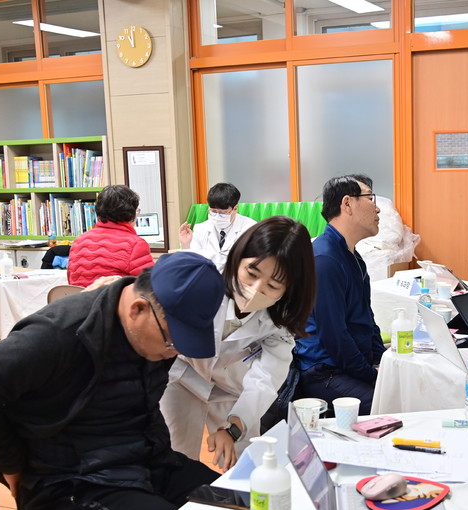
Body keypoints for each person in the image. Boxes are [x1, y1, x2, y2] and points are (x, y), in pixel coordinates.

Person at [0, 253, 225, 510]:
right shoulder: (59, 333)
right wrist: (12, 465)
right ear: (137, 310)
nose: (173, 352)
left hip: (147, 462)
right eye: (173, 342)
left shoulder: (153, 327)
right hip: (69, 485)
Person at [161, 217, 316, 471]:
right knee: (175, 458)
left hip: (232, 389)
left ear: (289, 289)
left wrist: (234, 426)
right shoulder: (204, 278)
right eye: (251, 273)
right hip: (183, 377)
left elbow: (266, 378)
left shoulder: (280, 319)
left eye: (273, 286)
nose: (256, 289)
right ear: (238, 257)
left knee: (245, 467)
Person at [293, 174, 385, 413]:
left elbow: (366, 318)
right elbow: (334, 336)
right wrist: (370, 376)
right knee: (390, 406)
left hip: (350, 367)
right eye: (370, 198)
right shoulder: (325, 259)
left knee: (402, 390)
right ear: (347, 204)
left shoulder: (352, 256)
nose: (377, 209)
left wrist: (383, 363)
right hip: (325, 373)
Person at [67, 185, 155, 287]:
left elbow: (71, 281)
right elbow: (150, 286)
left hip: (81, 301)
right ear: (131, 214)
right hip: (111, 302)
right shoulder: (135, 244)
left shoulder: (79, 241)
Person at [179, 182, 256, 269]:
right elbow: (192, 261)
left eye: (223, 213)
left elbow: (246, 262)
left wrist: (208, 257)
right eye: (213, 212)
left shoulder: (250, 228)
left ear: (235, 209)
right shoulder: (201, 228)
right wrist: (186, 245)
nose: (217, 217)